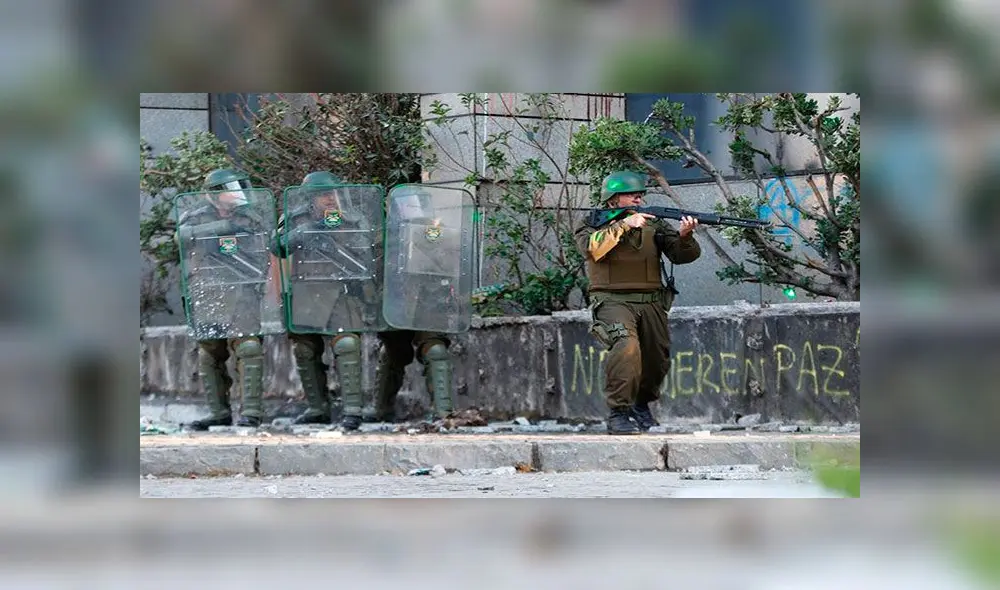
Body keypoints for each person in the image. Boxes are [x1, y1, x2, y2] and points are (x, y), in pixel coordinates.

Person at [573, 170, 701, 434]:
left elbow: (680, 255)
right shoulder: (591, 223)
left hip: (652, 301)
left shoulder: (654, 224)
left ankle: (640, 406)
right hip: (612, 300)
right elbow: (591, 248)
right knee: (626, 347)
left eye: (640, 195)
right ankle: (618, 412)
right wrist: (624, 225)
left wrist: (685, 236)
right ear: (612, 198)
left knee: (657, 358)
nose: (638, 199)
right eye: (632, 195)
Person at [272, 172, 382, 429]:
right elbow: (276, 247)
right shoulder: (294, 219)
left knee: (346, 343)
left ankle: (353, 409)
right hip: (306, 292)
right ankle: (317, 407)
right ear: (311, 198)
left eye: (333, 193)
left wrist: (336, 235)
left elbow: (366, 254)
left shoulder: (354, 218)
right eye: (324, 194)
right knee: (304, 349)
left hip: (343, 291)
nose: (330, 199)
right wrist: (304, 231)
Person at [178, 168, 270, 429]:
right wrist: (219, 227)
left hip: (243, 290)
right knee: (210, 351)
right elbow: (180, 237)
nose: (238, 194)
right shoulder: (195, 216)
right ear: (216, 194)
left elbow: (265, 244)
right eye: (233, 189)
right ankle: (218, 412)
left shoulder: (250, 217)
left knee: (249, 347)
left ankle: (252, 412)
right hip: (209, 292)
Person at [370, 185, 463, 425]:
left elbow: (454, 266)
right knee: (393, 352)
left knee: (435, 350)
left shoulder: (439, 234)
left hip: (430, 301)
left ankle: (443, 412)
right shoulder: (382, 234)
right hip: (396, 302)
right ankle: (381, 409)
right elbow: (373, 270)